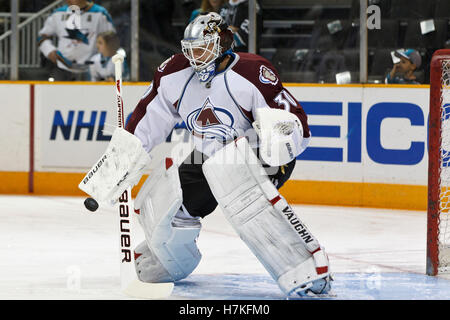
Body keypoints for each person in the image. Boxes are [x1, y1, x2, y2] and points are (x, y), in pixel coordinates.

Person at [80, 12, 332, 297]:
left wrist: (283, 136)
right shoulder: (173, 74)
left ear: (223, 44)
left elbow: (295, 122)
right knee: (172, 204)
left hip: (260, 156)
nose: (195, 56)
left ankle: (307, 270)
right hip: (209, 158)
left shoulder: (253, 72)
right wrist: (113, 173)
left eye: (202, 48)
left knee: (243, 195)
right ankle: (168, 260)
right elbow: (145, 123)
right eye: (191, 49)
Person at [38, 0, 115, 81]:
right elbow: (42, 36)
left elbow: (111, 40)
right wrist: (50, 51)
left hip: (92, 69)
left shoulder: (100, 13)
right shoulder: (57, 14)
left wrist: (107, 68)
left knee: (92, 93)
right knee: (59, 93)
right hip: (62, 66)